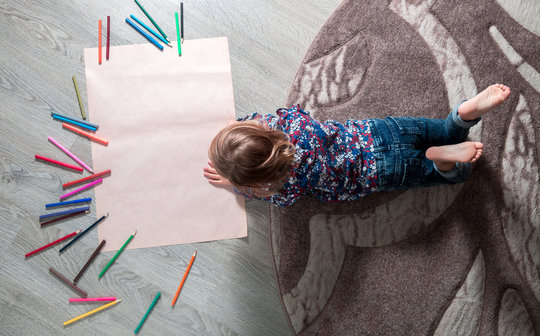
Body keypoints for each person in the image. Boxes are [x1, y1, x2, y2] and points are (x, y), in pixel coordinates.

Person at [203, 84, 511, 207]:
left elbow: (278, 200)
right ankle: (463, 113)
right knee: (441, 129)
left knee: (458, 175)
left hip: (382, 171)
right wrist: (239, 132)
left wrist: (236, 184)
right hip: (381, 133)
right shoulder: (288, 123)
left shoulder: (280, 185)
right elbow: (257, 121)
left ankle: (443, 161)